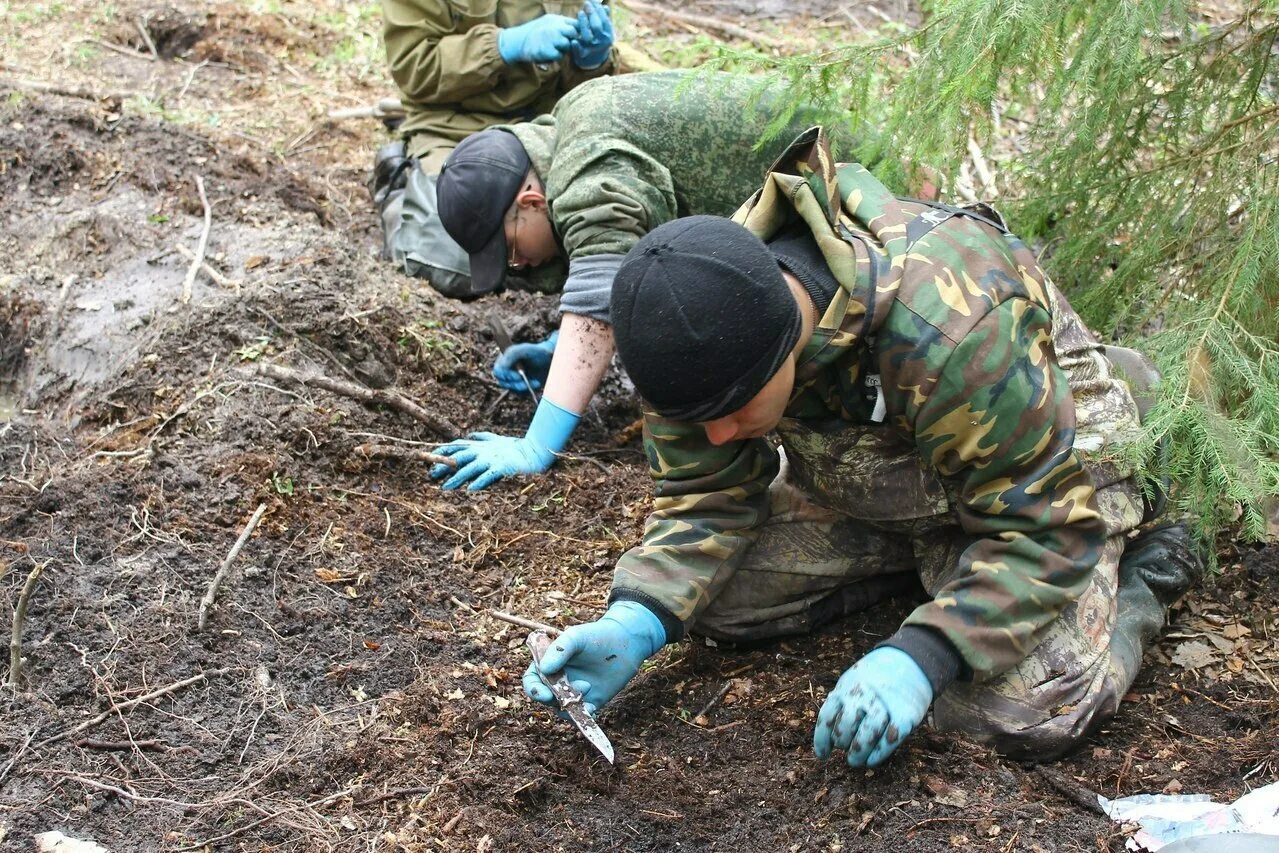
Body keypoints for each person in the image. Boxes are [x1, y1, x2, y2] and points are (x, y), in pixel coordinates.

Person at [520, 127, 1204, 765]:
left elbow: (1040, 525)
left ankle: (1151, 560)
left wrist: (923, 654)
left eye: (732, 414)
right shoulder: (691, 319)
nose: (719, 435)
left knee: (1020, 711)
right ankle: (937, 564)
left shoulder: (953, 327)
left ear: (787, 342)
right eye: (699, 421)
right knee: (712, 606)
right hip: (892, 475)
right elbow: (706, 492)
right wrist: (634, 619)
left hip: (1049, 477)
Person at [427, 71, 906, 492]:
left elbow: (597, 299)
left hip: (861, 198)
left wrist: (535, 447)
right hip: (814, 189)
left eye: (510, 250)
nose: (519, 265)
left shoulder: (586, 176)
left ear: (531, 202)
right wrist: (559, 349)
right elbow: (632, 275)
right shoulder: (569, 127)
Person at [374, 0, 617, 296]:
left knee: (600, 245)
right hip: (456, 126)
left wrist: (591, 63)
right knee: (446, 266)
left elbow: (587, 92)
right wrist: (501, 46)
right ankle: (402, 199)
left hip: (548, 127)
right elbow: (414, 67)